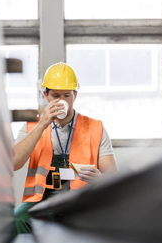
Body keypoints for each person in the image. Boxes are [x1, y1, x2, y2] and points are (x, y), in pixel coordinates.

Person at [13, 62, 118, 234]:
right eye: (55, 95)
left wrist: (99, 178)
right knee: (19, 218)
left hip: (80, 200)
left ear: (75, 95)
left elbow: (113, 178)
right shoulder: (32, 127)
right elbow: (15, 162)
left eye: (66, 95)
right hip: (41, 200)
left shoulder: (95, 128)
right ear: (45, 95)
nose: (61, 101)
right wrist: (42, 125)